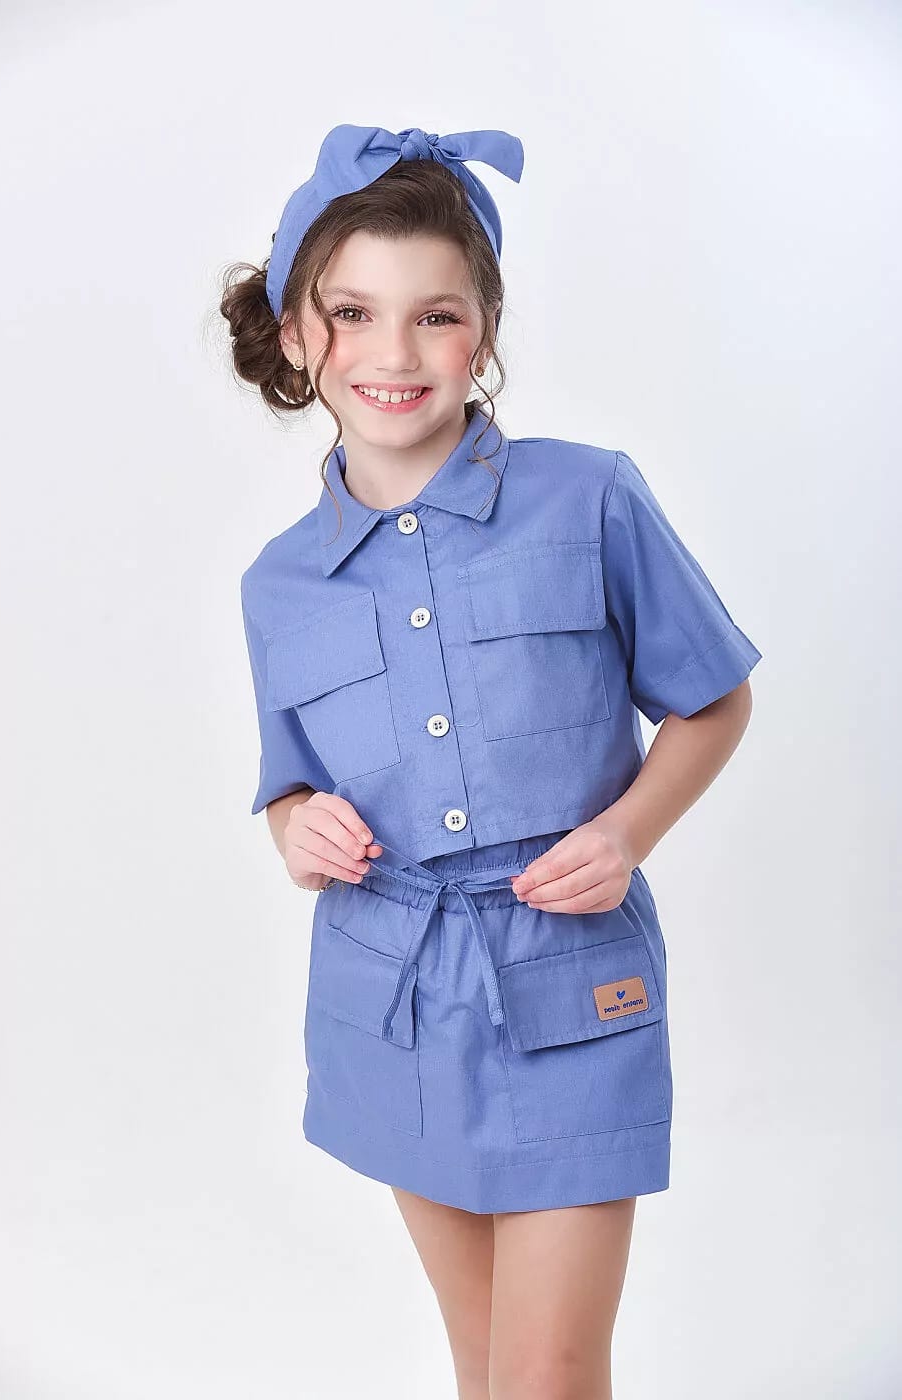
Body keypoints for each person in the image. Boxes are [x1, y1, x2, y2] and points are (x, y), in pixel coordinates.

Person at [220, 124, 762, 1400]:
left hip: (572, 980)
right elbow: (289, 784)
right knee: (485, 1368)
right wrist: (295, 827)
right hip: (390, 995)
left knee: (549, 1374)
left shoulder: (591, 498)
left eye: (437, 315)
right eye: (353, 312)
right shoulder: (276, 584)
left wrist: (627, 831)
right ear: (298, 335)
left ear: (486, 328)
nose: (395, 353)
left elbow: (715, 696)